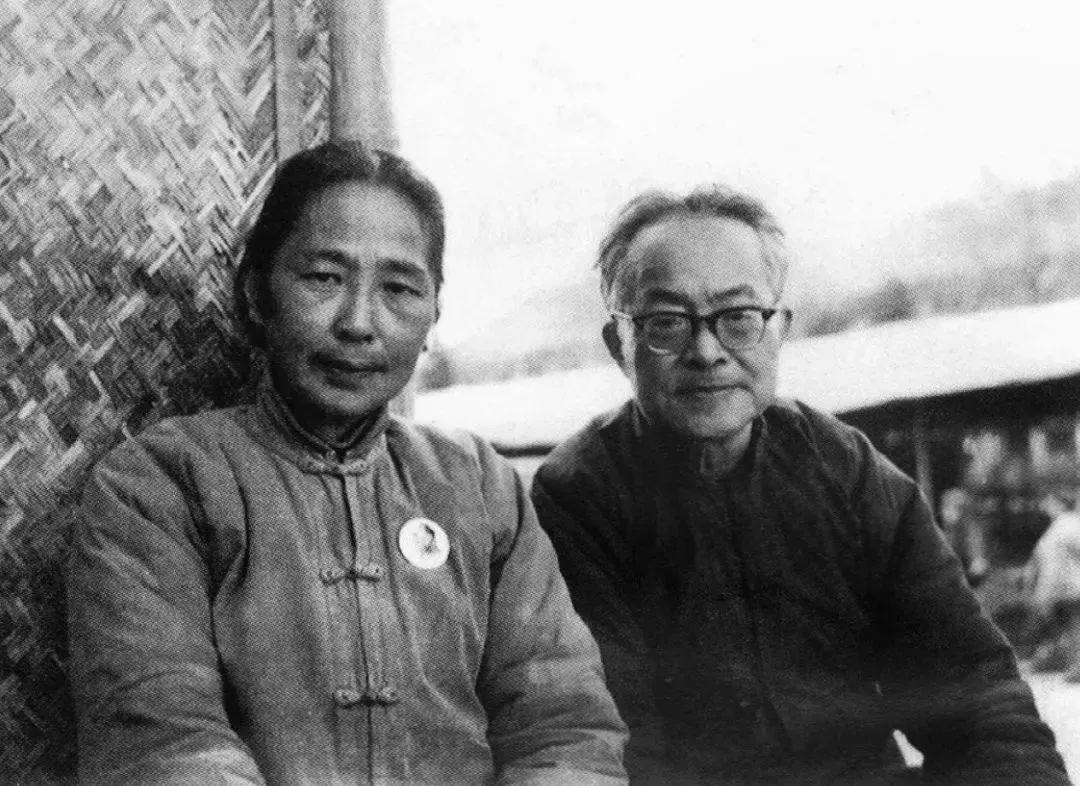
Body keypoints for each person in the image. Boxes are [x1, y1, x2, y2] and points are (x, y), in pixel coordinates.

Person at [66, 141, 627, 785]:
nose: (359, 322)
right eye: (324, 278)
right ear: (257, 295)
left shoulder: (477, 484)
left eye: (399, 288)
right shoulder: (160, 484)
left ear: (434, 313)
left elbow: (563, 728)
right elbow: (164, 745)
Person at [531, 185, 1068, 784]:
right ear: (619, 345)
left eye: (739, 318)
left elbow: (979, 702)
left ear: (779, 330)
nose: (706, 351)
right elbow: (607, 750)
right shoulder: (575, 499)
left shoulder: (849, 471)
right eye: (666, 323)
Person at [1025, 494, 1080, 680]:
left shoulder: (1068, 524)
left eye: (1049, 503)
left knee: (1073, 626)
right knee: (1067, 627)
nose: (1045, 506)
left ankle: (1076, 667)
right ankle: (1069, 664)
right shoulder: (1059, 526)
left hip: (1069, 586)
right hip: (1061, 587)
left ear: (1060, 504)